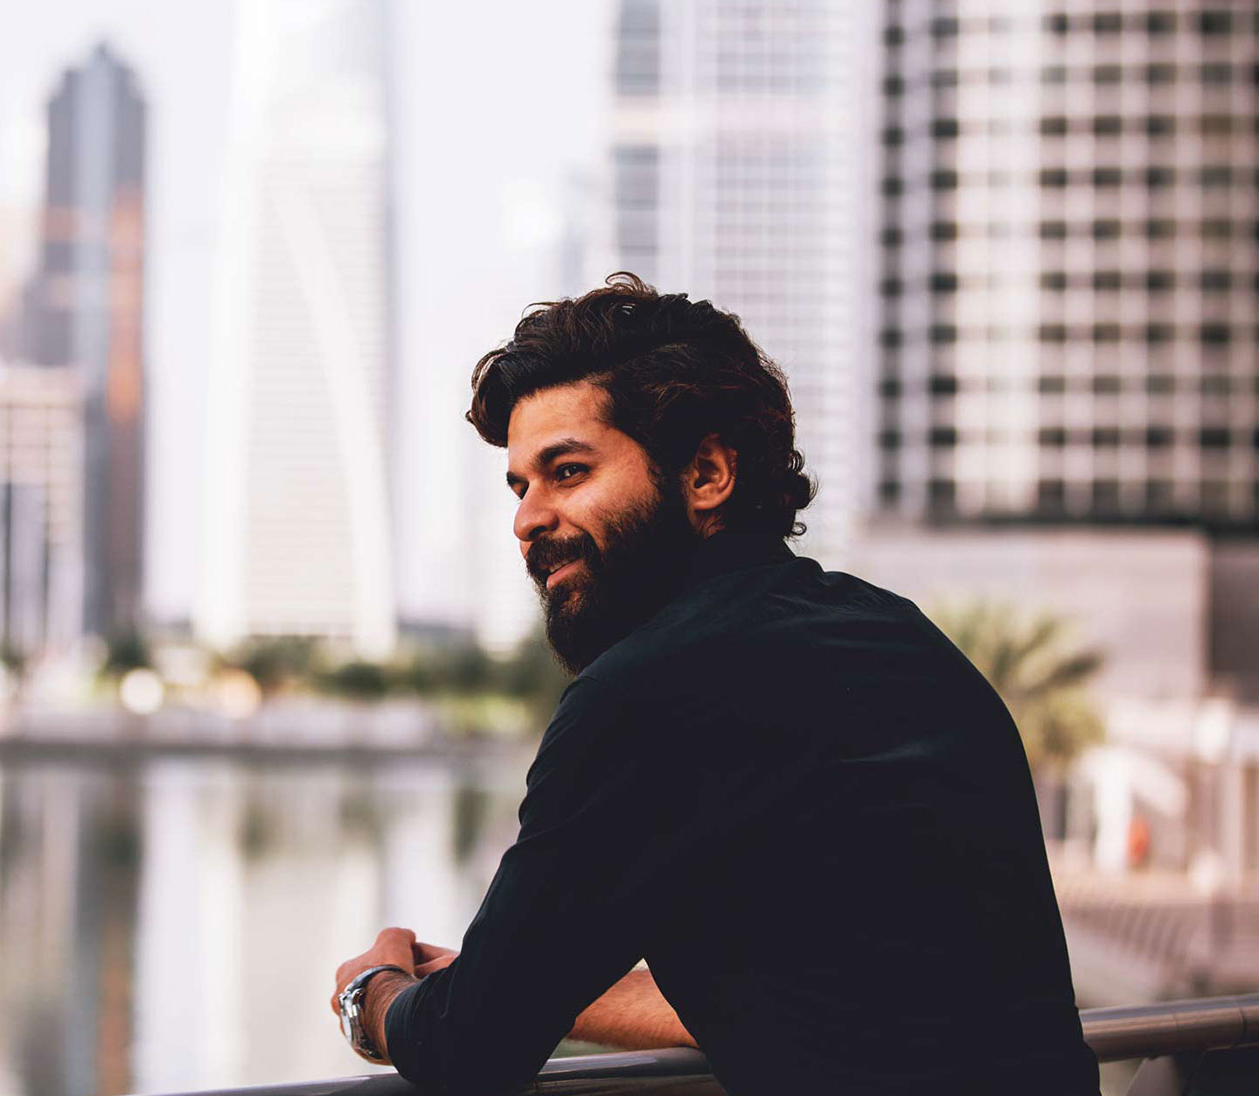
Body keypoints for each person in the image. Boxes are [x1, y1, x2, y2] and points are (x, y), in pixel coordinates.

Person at [329, 274, 1100, 1096]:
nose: (527, 518)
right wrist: (516, 981)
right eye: (520, 486)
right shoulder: (898, 637)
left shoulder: (640, 696)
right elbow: (845, 994)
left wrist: (372, 994)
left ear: (705, 475)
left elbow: (466, 1052)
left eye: (567, 471)